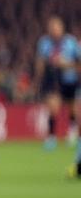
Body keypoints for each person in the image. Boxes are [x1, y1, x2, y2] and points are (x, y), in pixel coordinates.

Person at [34, 16, 80, 149]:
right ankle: (51, 137)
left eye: (56, 28)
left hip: (69, 79)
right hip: (52, 80)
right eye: (52, 28)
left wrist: (66, 64)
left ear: (62, 28)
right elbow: (40, 61)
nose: (54, 31)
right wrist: (39, 77)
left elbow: (78, 64)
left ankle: (71, 132)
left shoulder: (71, 42)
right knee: (53, 107)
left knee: (71, 107)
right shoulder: (44, 43)